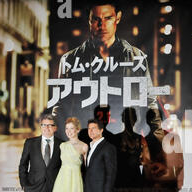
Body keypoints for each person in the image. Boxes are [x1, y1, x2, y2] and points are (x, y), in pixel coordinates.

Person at [54, 0, 163, 143]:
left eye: (108, 18)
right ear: (89, 20)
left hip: (126, 146)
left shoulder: (136, 58)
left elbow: (149, 104)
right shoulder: (70, 60)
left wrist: (157, 145)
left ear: (117, 18)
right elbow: (61, 108)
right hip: (87, 147)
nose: (102, 25)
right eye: (96, 19)